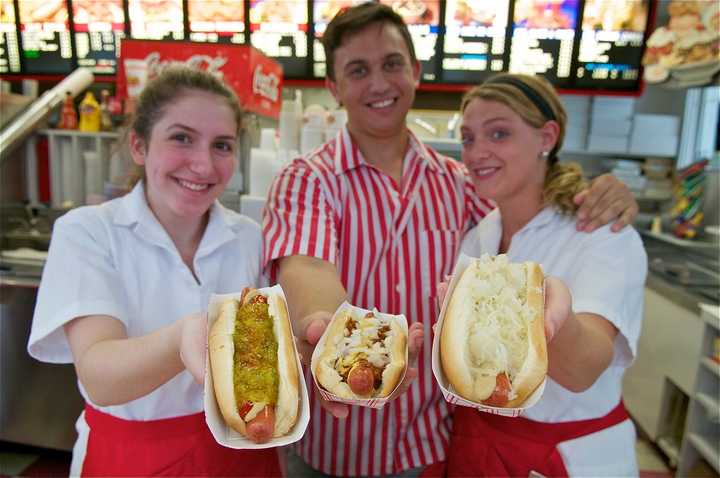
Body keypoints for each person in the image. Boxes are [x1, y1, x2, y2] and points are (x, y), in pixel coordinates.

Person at [263, 3, 639, 476]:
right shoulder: (308, 179)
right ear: (334, 88)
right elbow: (308, 268)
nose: (379, 83)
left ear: (416, 72)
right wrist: (340, 338)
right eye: (358, 70)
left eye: (392, 64)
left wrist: (605, 192)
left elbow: (532, 216)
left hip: (433, 442)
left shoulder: (464, 184)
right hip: (339, 444)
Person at [27, 67, 282, 477]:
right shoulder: (88, 232)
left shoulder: (248, 237)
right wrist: (182, 338)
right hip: (132, 457)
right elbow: (100, 378)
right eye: (181, 138)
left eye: (222, 145)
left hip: (242, 453)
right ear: (139, 146)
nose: (203, 165)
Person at [442, 73, 646, 477]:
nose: (477, 152)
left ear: (547, 138)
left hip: (569, 454)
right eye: (468, 138)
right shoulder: (479, 235)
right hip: (478, 440)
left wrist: (551, 315)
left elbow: (582, 369)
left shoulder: (602, 233)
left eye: (498, 134)